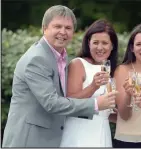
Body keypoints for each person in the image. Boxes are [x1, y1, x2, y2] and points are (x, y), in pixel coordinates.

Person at [2, 5, 117, 147]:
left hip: (52, 139)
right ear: (44, 28)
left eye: (68, 28)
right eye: (57, 26)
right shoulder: (36, 59)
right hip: (29, 139)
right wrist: (95, 104)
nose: (63, 32)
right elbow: (51, 103)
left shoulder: (61, 56)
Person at [59, 19, 118, 147]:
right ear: (88, 43)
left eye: (105, 43)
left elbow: (105, 113)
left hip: (102, 132)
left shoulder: (111, 70)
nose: (100, 47)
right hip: (80, 134)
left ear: (112, 46)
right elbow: (69, 102)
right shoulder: (78, 64)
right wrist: (93, 86)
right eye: (95, 42)